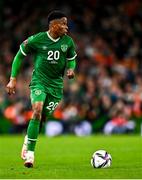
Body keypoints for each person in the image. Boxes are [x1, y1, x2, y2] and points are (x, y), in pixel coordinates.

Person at [6, 10, 77, 168]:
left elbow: (72, 59)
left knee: (42, 118)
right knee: (36, 110)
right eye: (63, 24)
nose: (66, 27)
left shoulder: (68, 42)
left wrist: (71, 69)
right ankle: (30, 154)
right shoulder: (37, 39)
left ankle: (28, 139)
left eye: (66, 24)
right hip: (39, 82)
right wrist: (13, 79)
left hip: (56, 86)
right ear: (53, 25)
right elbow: (19, 56)